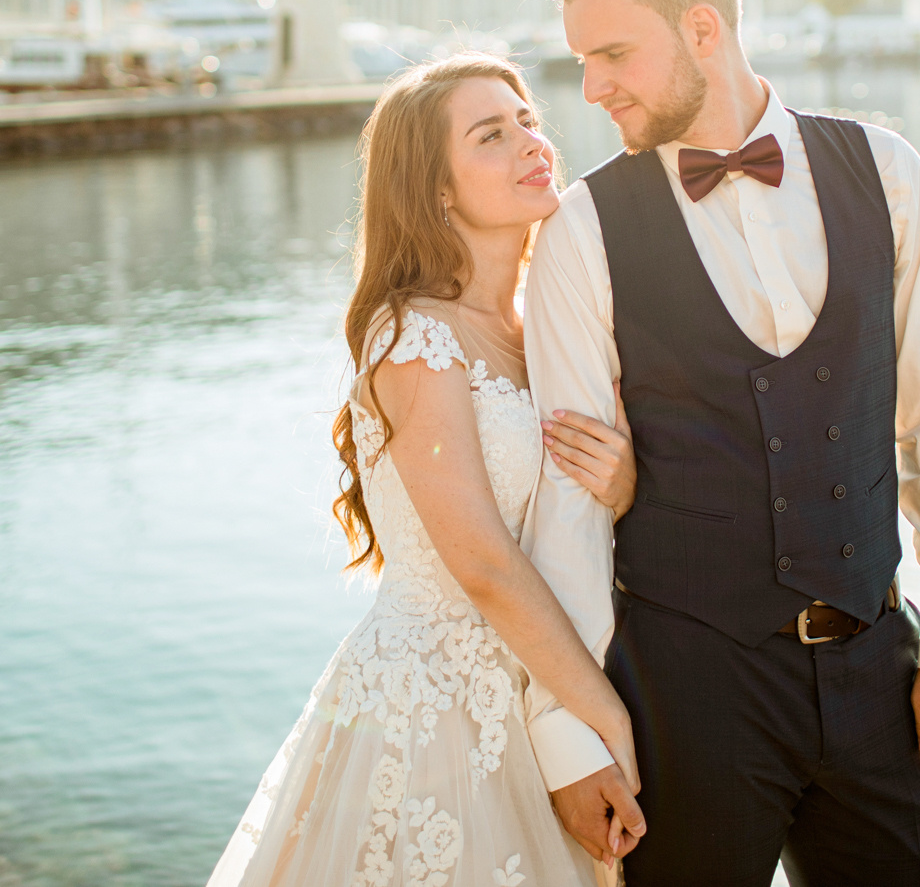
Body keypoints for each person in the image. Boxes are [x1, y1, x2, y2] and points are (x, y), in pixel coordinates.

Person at [522, 0, 920, 886]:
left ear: (702, 27)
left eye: (611, 53)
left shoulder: (889, 173)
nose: (590, 87)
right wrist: (567, 734)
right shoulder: (582, 229)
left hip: (878, 667)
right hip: (687, 692)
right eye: (581, 60)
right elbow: (565, 502)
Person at [208, 54, 648, 887]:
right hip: (436, 709)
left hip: (541, 684)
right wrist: (601, 715)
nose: (530, 141)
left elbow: (574, 524)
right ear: (437, 190)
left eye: (527, 119)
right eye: (492, 133)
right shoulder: (413, 336)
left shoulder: (550, 330)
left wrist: (623, 487)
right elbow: (480, 560)